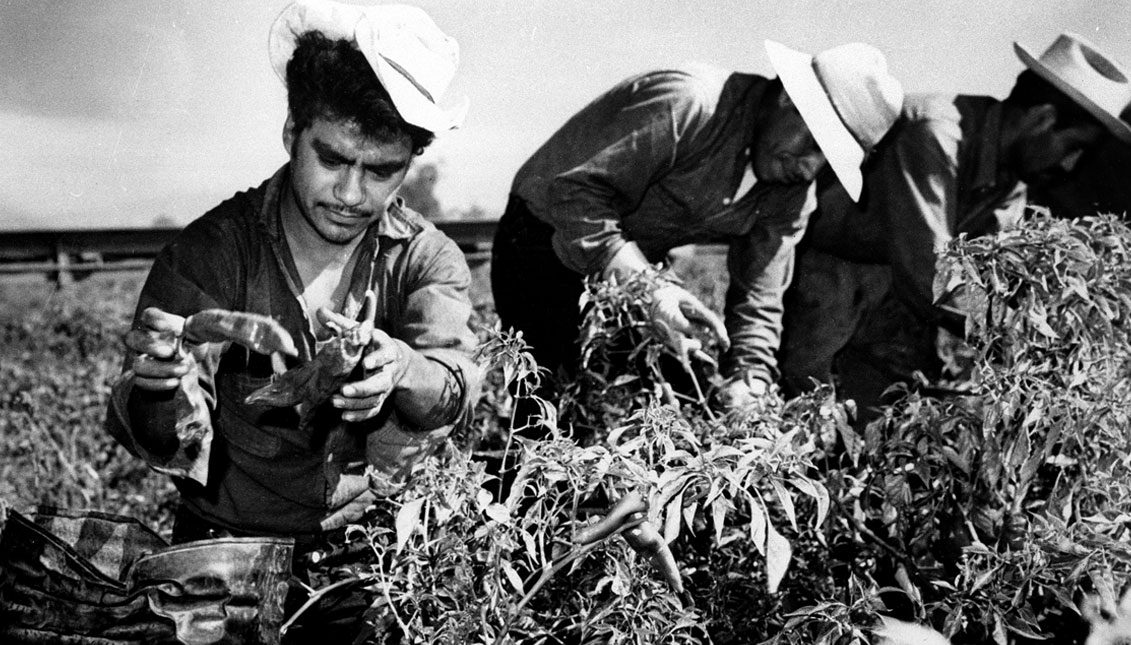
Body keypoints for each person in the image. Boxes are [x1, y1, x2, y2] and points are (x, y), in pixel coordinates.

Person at [104, 0, 479, 638]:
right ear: (291, 134)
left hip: (366, 559)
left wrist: (401, 368)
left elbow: (452, 386)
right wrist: (159, 387)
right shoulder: (213, 252)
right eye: (331, 160)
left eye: (382, 171)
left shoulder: (426, 258)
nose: (352, 193)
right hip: (220, 557)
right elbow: (160, 438)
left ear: (409, 164)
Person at [491, 41, 904, 412]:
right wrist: (650, 288)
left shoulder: (792, 192)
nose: (809, 167)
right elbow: (574, 196)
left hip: (629, 270)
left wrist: (751, 378)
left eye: (826, 163)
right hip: (541, 241)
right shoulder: (691, 103)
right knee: (552, 415)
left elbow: (761, 292)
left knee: (672, 405)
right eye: (813, 144)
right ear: (785, 99)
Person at [778, 32, 1131, 416]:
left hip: (893, 287)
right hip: (828, 269)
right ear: (1041, 118)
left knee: (891, 416)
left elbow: (991, 277)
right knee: (805, 413)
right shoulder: (935, 131)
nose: (1069, 165)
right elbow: (929, 274)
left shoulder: (1013, 180)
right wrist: (1025, 339)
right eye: (1072, 147)